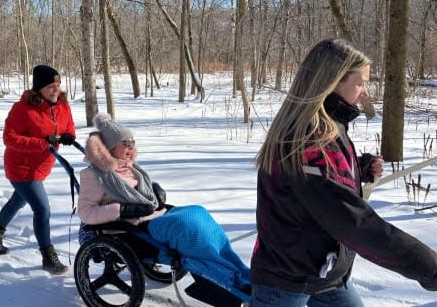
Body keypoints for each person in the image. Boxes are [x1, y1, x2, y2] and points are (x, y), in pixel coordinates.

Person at [251, 38, 437, 307]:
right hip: (286, 280)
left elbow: (317, 188)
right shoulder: (310, 141)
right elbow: (355, 224)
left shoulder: (330, 124)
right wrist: (430, 268)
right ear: (332, 82)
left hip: (326, 274)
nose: (365, 93)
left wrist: (356, 171)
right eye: (359, 83)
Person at [78, 113, 251, 305]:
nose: (130, 147)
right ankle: (229, 283)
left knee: (197, 213)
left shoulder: (132, 168)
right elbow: (85, 213)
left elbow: (143, 196)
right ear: (110, 147)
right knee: (188, 228)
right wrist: (121, 209)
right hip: (132, 227)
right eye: (124, 143)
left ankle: (241, 274)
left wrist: (155, 195)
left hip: (152, 217)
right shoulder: (94, 176)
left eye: (132, 142)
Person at [0, 64, 75, 275]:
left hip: (42, 167)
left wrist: (69, 135)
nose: (56, 89)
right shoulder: (22, 108)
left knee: (17, 201)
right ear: (39, 88)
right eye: (51, 86)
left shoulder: (62, 105)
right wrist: (42, 142)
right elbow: (10, 138)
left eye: (58, 84)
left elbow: (68, 125)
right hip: (21, 168)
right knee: (42, 210)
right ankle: (47, 255)